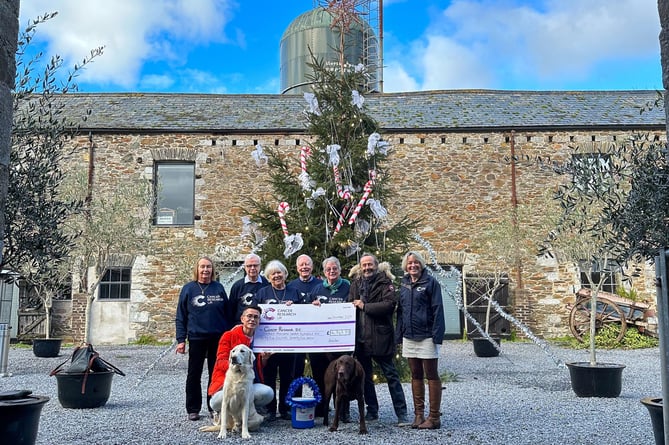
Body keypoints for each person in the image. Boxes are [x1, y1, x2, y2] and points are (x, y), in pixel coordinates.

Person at [348, 253, 409, 426]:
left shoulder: (385, 283)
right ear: (360, 267)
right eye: (364, 265)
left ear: (376, 266)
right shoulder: (355, 284)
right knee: (365, 378)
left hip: (380, 338)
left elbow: (389, 305)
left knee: (391, 375)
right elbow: (347, 306)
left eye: (370, 265)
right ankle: (372, 411)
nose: (367, 268)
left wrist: (365, 306)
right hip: (361, 340)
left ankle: (402, 413)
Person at [175, 256, 230, 421]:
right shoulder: (188, 289)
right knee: (194, 374)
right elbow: (181, 316)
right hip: (197, 337)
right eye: (202, 267)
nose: (205, 270)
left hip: (217, 339)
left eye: (208, 267)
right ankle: (193, 408)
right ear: (197, 269)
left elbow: (226, 314)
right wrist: (180, 340)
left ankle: (214, 407)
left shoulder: (219, 288)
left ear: (212, 270)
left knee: (216, 374)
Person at [395, 251, 445, 429]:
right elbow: (400, 311)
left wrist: (437, 335)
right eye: (409, 263)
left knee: (431, 374)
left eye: (416, 263)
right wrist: (399, 335)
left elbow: (438, 308)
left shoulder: (431, 283)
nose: (413, 266)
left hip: (427, 336)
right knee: (415, 374)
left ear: (421, 264)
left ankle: (434, 418)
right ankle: (418, 415)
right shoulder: (404, 283)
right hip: (409, 336)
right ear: (405, 266)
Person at [208, 305, 274, 431]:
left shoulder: (261, 339)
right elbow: (220, 361)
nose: (252, 319)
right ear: (242, 318)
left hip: (248, 383)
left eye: (256, 317)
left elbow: (257, 366)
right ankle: (224, 416)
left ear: (259, 321)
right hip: (228, 383)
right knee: (216, 402)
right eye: (249, 316)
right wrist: (237, 364)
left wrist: (264, 359)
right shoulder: (228, 335)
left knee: (267, 393)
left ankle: (249, 412)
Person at [256, 260, 303, 421]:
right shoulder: (262, 293)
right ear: (268, 277)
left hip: (288, 344)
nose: (276, 275)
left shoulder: (294, 292)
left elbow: (304, 313)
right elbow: (255, 315)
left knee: (287, 377)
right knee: (268, 377)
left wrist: (295, 306)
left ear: (285, 274)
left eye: (279, 272)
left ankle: (285, 408)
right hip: (268, 344)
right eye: (273, 274)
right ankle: (270, 410)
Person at [309, 256, 351, 419]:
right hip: (319, 341)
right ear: (324, 272)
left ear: (339, 270)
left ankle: (342, 411)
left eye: (335, 269)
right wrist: (311, 306)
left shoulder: (348, 287)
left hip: (340, 341)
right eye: (328, 269)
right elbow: (307, 310)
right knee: (320, 375)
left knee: (343, 376)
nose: (332, 271)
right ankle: (321, 409)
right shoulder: (317, 289)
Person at [286, 254, 322, 389]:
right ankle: (295, 403)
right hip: (298, 335)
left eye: (307, 264)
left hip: (316, 334)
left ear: (312, 267)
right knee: (296, 370)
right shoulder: (290, 286)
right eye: (301, 265)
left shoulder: (320, 285)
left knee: (319, 369)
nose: (304, 267)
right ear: (297, 268)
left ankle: (321, 406)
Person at [228, 253, 269, 325]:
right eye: (249, 266)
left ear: (260, 266)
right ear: (245, 267)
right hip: (242, 327)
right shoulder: (237, 286)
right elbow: (231, 310)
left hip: (264, 326)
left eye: (255, 265)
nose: (252, 268)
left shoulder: (267, 284)